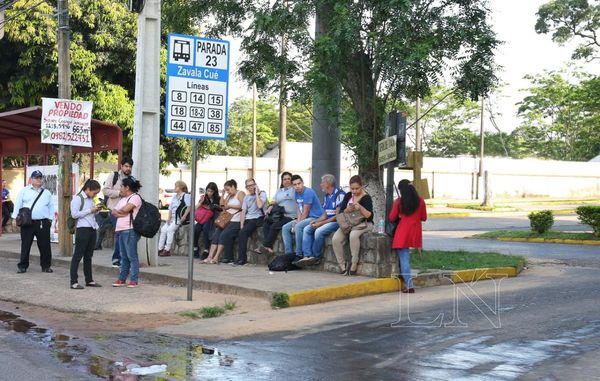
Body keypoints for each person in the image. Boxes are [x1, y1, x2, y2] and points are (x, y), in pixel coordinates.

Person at [296, 174, 346, 267]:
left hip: (336, 222)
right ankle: (307, 256)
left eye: (322, 182)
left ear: (328, 184)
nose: (320, 184)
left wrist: (321, 224)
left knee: (319, 231)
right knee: (308, 228)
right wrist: (317, 221)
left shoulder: (340, 195)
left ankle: (316, 257)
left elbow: (337, 216)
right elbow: (325, 214)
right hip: (327, 220)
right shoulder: (327, 196)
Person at [11, 170, 54, 274]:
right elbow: (18, 204)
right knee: (26, 245)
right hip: (27, 222)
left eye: (40, 178)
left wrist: (50, 219)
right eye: (36, 178)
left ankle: (46, 266)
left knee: (45, 246)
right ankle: (22, 266)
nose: (39, 180)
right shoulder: (24, 191)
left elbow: (51, 207)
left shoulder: (47, 193)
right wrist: (14, 218)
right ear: (31, 179)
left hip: (43, 222)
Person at [389, 179, 427, 293]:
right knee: (407, 259)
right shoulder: (421, 201)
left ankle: (410, 286)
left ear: (401, 190)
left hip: (402, 233)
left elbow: (391, 218)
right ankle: (408, 284)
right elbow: (423, 218)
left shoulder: (398, 202)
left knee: (404, 259)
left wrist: (400, 215)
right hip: (415, 232)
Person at [332, 175, 374, 275]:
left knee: (353, 235)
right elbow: (341, 211)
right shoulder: (348, 195)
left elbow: (370, 216)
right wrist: (347, 209)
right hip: (348, 223)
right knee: (335, 239)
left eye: (357, 188)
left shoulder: (366, 198)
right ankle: (341, 265)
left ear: (361, 186)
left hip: (363, 223)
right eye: (352, 189)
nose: (354, 191)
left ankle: (354, 263)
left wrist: (360, 208)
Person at [69, 180, 103, 289]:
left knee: (88, 256)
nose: (95, 195)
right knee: (78, 256)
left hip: (92, 228)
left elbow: (91, 213)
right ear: (88, 189)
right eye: (94, 192)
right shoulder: (78, 199)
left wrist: (97, 209)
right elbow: (74, 215)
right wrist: (90, 210)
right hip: (82, 229)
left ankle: (89, 280)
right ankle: (73, 282)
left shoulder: (91, 199)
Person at [281, 175, 324, 261]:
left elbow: (306, 211)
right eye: (295, 184)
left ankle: (299, 254)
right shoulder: (296, 193)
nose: (297, 186)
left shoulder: (308, 192)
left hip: (315, 217)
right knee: (285, 228)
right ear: (292, 186)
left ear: (303, 183)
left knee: (298, 226)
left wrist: (297, 223)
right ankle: (288, 255)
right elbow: (299, 209)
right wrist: (297, 221)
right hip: (305, 217)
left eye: (299, 183)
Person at [111, 177, 143, 288]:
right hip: (120, 229)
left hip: (130, 230)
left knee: (131, 256)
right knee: (123, 256)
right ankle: (122, 279)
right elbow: (114, 212)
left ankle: (134, 280)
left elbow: (125, 209)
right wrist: (121, 213)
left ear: (127, 187)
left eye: (121, 186)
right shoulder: (123, 199)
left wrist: (121, 212)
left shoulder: (135, 198)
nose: (120, 188)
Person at [203, 180, 245, 264]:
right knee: (216, 234)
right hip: (227, 220)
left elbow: (243, 206)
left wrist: (230, 205)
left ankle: (216, 257)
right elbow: (222, 205)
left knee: (223, 235)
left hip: (235, 219)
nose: (228, 191)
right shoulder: (229, 196)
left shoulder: (240, 193)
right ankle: (210, 256)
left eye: (228, 189)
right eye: (226, 190)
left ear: (233, 186)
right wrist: (223, 195)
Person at [102, 156, 133, 267]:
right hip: (114, 210)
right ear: (121, 166)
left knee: (124, 235)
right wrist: (119, 193)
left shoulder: (132, 179)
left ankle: (121, 259)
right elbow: (105, 190)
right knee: (121, 234)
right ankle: (117, 259)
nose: (128, 168)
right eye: (126, 166)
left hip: (126, 211)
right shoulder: (114, 176)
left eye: (129, 166)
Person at [258, 172, 295, 255]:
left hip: (290, 217)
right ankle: (269, 247)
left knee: (275, 226)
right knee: (266, 222)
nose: (287, 181)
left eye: (289, 179)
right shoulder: (279, 190)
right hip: (279, 215)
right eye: (284, 179)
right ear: (282, 181)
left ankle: (266, 246)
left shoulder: (294, 190)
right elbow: (274, 201)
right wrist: (270, 207)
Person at [234, 178, 267, 266]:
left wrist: (256, 193)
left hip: (257, 218)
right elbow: (243, 211)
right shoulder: (246, 197)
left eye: (252, 185)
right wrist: (241, 224)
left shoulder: (262, 194)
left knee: (243, 233)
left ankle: (242, 259)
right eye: (248, 186)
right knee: (238, 231)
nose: (250, 187)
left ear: (255, 185)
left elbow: (260, 205)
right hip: (248, 219)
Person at [158, 180, 192, 257]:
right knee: (163, 229)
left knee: (170, 230)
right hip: (172, 217)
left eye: (176, 186)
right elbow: (170, 208)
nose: (175, 188)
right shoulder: (174, 197)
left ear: (180, 187)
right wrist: (169, 218)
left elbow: (189, 207)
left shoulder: (185, 196)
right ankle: (160, 248)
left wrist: (184, 216)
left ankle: (167, 249)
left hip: (179, 217)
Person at [193, 182, 220, 259]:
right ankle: (195, 247)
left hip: (211, 219)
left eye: (211, 191)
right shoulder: (203, 197)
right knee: (196, 229)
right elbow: (196, 208)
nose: (209, 193)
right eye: (208, 191)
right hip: (202, 219)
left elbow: (220, 209)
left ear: (214, 191)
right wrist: (201, 202)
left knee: (206, 229)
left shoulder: (217, 199)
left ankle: (206, 249)